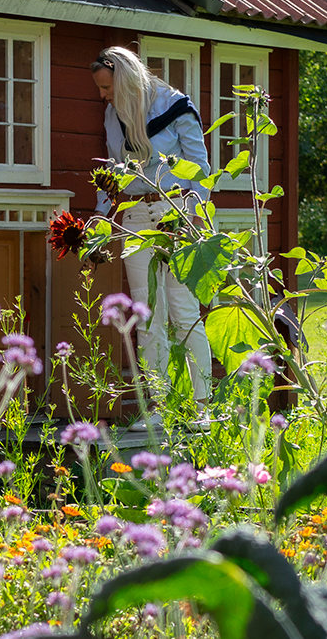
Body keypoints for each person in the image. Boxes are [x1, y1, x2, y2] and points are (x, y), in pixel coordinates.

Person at [90, 46, 214, 427]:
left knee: (184, 311)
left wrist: (193, 218)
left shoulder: (175, 105)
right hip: (135, 213)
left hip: (176, 212)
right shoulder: (114, 115)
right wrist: (100, 216)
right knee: (146, 314)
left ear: (124, 78)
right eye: (100, 88)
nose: (103, 95)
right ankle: (159, 409)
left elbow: (201, 169)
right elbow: (113, 170)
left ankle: (201, 408)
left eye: (107, 86)